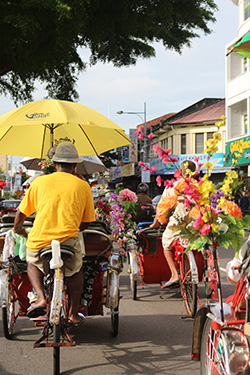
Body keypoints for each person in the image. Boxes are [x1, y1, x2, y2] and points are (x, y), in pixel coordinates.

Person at [13, 142, 96, 325]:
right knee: (75, 271)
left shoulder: (39, 182)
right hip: (68, 240)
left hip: (40, 239)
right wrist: (75, 228)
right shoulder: (83, 186)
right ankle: (73, 313)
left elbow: (21, 212)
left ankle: (41, 297)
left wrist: (18, 228)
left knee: (33, 262)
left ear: (55, 164)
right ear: (74, 166)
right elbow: (87, 221)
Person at [150, 160, 196, 288]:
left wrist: (155, 224)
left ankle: (174, 274)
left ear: (180, 172)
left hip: (178, 225)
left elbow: (162, 208)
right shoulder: (200, 186)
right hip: (197, 226)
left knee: (166, 243)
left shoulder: (174, 186)